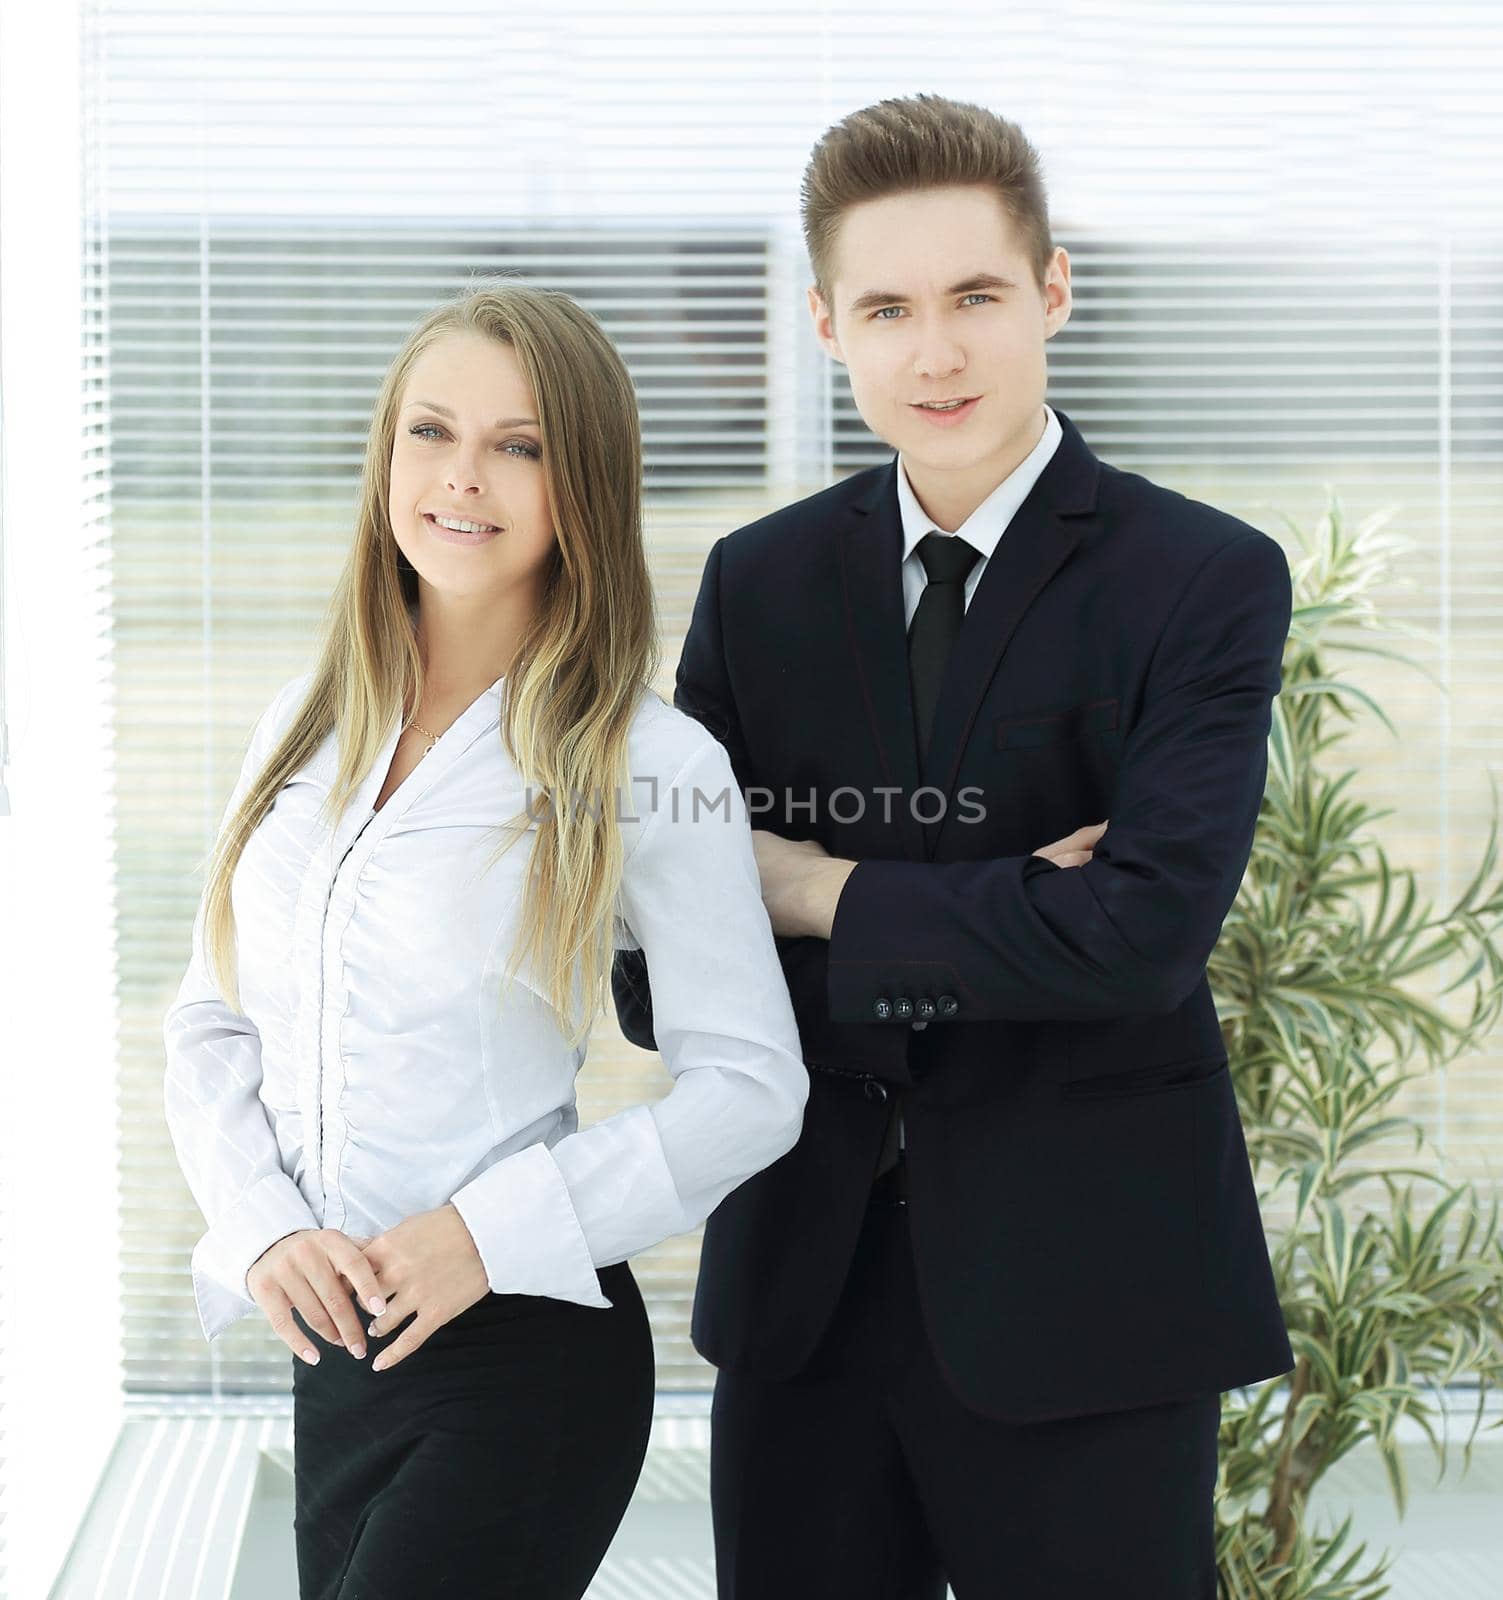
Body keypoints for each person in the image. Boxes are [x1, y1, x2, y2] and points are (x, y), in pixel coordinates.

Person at [612, 94, 1296, 1599]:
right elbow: (663, 979)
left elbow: (1139, 939)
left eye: (977, 297)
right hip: (806, 1302)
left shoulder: (1204, 580)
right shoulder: (759, 585)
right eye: (889, 308)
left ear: (1052, 291)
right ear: (823, 323)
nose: (936, 353)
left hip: (1095, 1308)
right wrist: (1002, 918)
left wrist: (806, 888)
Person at [161, 279, 808, 1600]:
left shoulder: (643, 758)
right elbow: (209, 1018)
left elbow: (756, 1091)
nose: (463, 478)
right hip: (336, 1358)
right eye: (431, 432)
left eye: (519, 446)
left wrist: (484, 1231)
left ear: (585, 484)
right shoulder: (303, 718)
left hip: (524, 1360)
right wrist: (263, 1228)